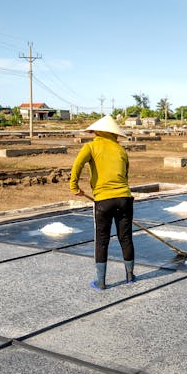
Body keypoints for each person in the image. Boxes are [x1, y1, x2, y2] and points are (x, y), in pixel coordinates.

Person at [70, 115, 134, 290]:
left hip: (103, 200)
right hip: (124, 199)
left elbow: (77, 165)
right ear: (114, 133)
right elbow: (125, 175)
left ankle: (101, 281)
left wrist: (74, 186)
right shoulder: (121, 150)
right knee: (126, 237)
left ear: (98, 131)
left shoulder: (91, 146)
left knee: (102, 240)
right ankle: (129, 276)